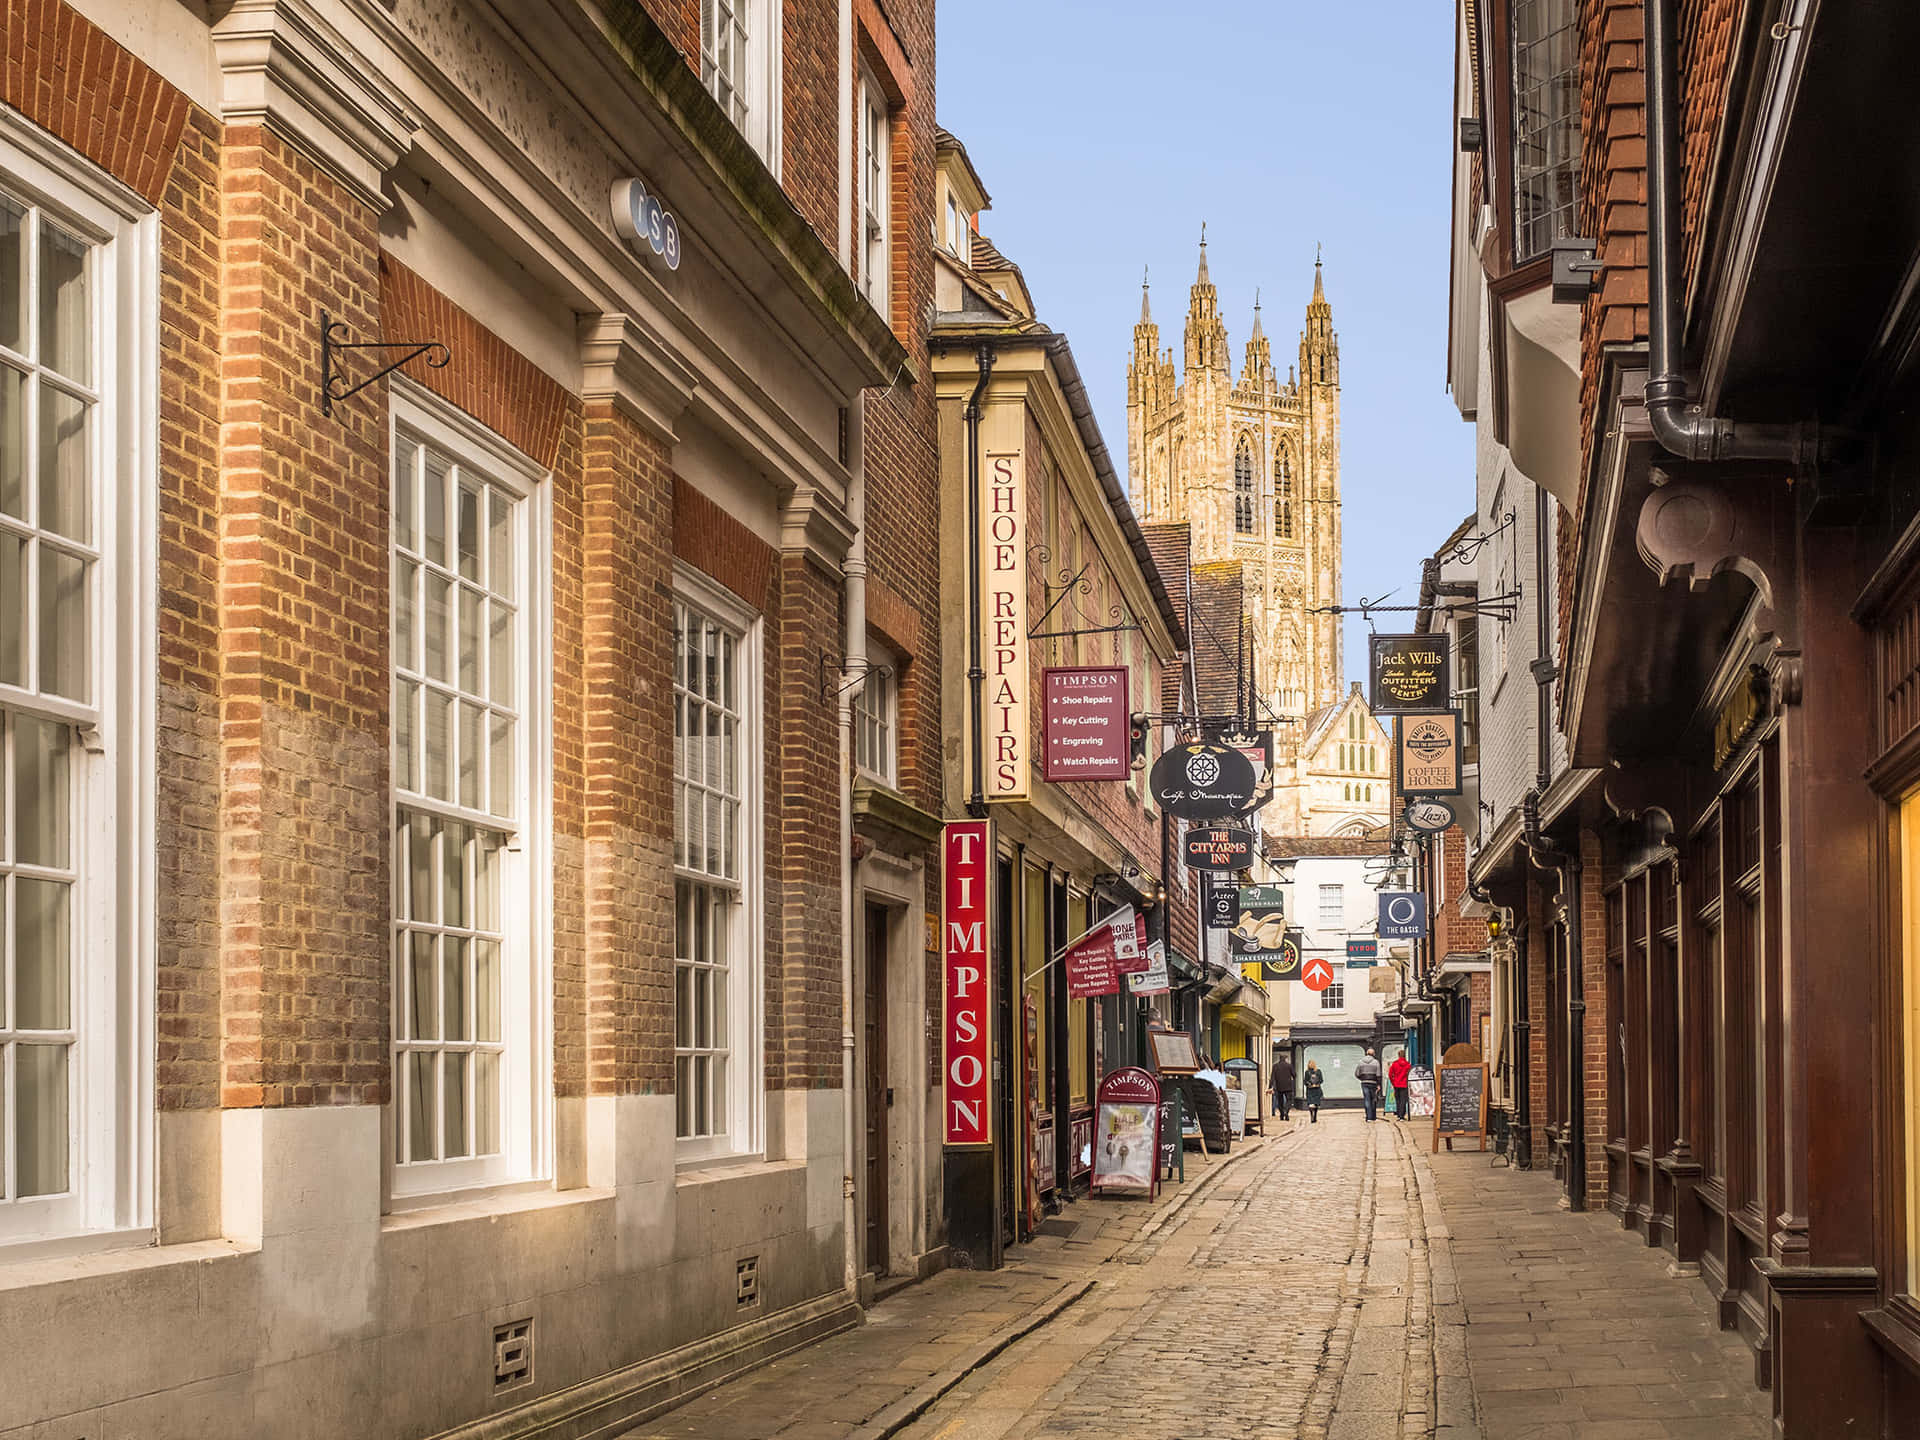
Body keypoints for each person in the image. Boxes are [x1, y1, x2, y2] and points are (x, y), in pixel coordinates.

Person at [1356, 1046, 1383, 1122]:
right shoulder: (1376, 1062)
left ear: (1366, 1053)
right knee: (1373, 1099)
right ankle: (1373, 1116)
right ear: (1373, 1054)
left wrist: (1362, 1078)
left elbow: (1357, 1073)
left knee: (1367, 1099)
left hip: (1364, 1083)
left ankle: (1368, 1117)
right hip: (1373, 1082)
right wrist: (1378, 1084)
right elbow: (1378, 1074)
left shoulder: (1360, 1062)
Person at [1388, 1049, 1412, 1121]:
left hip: (1396, 1084)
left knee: (1398, 1100)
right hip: (1404, 1084)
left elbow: (1390, 1074)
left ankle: (1399, 1114)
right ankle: (1402, 1115)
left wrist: (1393, 1082)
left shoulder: (1395, 1064)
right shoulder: (1408, 1065)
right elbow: (1410, 1074)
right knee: (1403, 1100)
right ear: (1404, 1055)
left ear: (1398, 1055)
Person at [1272, 1050, 1295, 1121]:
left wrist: (1271, 1086)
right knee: (1289, 1100)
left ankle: (1282, 1115)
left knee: (1280, 1102)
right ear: (1285, 1059)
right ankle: (1286, 1112)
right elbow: (1294, 1075)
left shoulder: (1275, 1066)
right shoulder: (1289, 1066)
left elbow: (1272, 1077)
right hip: (1288, 1086)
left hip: (1279, 1087)